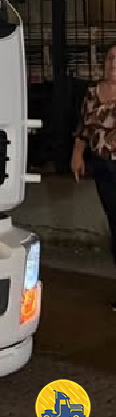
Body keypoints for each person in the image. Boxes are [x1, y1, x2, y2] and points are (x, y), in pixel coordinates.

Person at [70, 41, 116, 310]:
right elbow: (83, 128)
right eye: (110, 57)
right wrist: (77, 154)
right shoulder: (92, 93)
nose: (113, 63)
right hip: (103, 168)